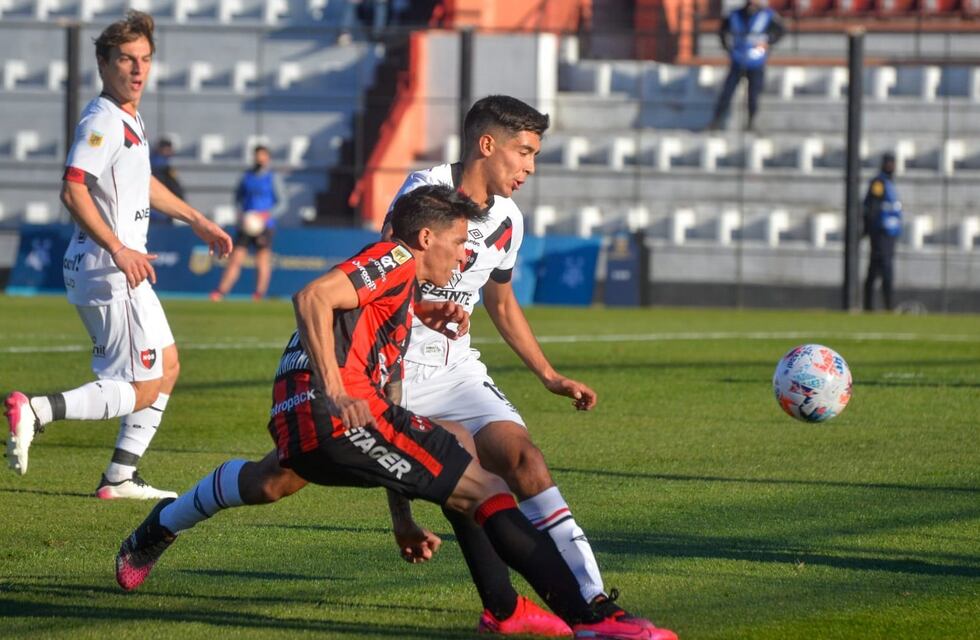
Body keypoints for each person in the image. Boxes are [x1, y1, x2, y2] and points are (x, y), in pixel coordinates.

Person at [113, 186, 674, 640]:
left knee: (284, 480)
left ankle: (158, 526)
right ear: (425, 237)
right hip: (331, 414)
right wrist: (335, 389)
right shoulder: (394, 257)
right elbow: (311, 297)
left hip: (300, 420)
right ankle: (591, 622)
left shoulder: (401, 293)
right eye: (458, 243)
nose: (463, 256)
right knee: (481, 487)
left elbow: (394, 415)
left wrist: (402, 517)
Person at [381, 95, 670, 637]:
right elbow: (382, 279)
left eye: (535, 155)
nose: (530, 167)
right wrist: (422, 306)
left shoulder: (509, 219)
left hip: (457, 370)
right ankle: (503, 606)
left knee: (525, 459)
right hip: (394, 367)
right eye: (524, 152)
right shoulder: (422, 192)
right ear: (486, 145)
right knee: (460, 469)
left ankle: (595, 605)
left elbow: (502, 301)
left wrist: (549, 375)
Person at [3, 11, 233, 498]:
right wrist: (119, 247)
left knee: (167, 365)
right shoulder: (103, 118)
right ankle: (37, 409)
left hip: (120, 268)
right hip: (110, 269)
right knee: (138, 385)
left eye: (145, 59)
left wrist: (196, 219)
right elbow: (72, 188)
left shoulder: (129, 116)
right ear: (104, 63)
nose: (137, 69)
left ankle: (120, 476)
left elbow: (140, 182)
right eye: (126, 59)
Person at [209, 144, 285, 302]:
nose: (260, 159)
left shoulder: (273, 178)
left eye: (263, 155)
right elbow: (237, 199)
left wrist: (267, 215)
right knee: (236, 258)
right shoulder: (246, 177)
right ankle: (221, 291)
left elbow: (282, 203)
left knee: (262, 260)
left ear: (268, 158)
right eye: (257, 155)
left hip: (264, 226)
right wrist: (241, 215)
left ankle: (259, 294)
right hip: (246, 224)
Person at [707, 0, 784, 132]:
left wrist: (768, 42)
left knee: (753, 94)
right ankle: (716, 121)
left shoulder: (767, 15)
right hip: (738, 60)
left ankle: (751, 123)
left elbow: (779, 32)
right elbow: (722, 31)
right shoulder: (735, 14)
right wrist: (728, 49)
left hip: (756, 62)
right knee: (727, 93)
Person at [863, 152, 903, 311]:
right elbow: (872, 207)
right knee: (881, 268)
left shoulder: (890, 183)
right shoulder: (879, 183)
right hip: (880, 233)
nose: (891, 166)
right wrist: (869, 229)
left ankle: (883, 305)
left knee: (880, 268)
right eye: (889, 163)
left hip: (890, 234)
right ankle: (876, 305)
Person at [149, 137, 183, 225]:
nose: (170, 152)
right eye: (168, 150)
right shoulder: (161, 166)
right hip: (159, 211)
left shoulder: (161, 164)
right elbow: (175, 188)